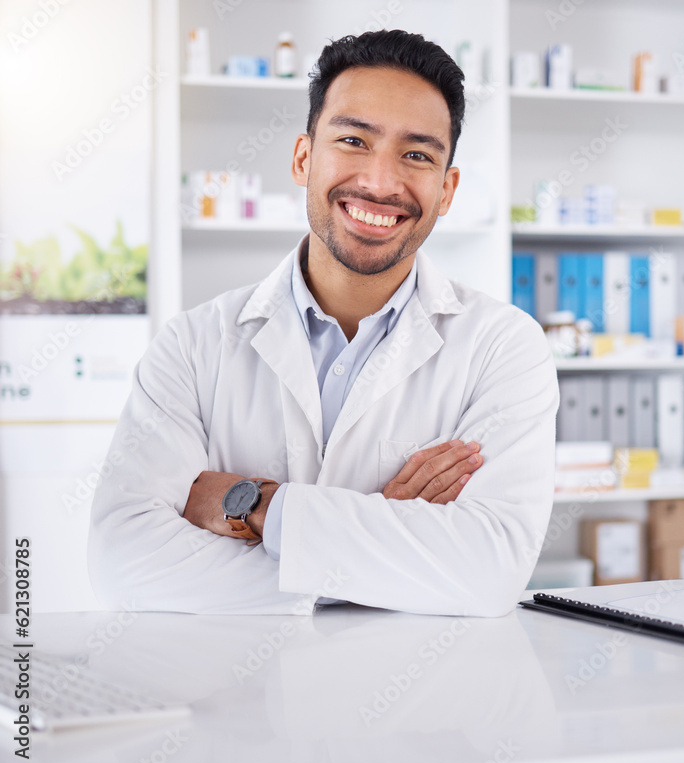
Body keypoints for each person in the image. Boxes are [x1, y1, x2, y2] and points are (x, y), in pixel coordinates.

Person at [88, 30, 558, 616]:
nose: (381, 183)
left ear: (446, 189)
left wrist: (256, 505)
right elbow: (123, 560)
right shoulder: (192, 344)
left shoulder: (504, 347)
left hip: (419, 699)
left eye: (417, 155)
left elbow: (489, 571)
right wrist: (380, 546)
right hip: (233, 699)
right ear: (303, 158)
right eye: (354, 140)